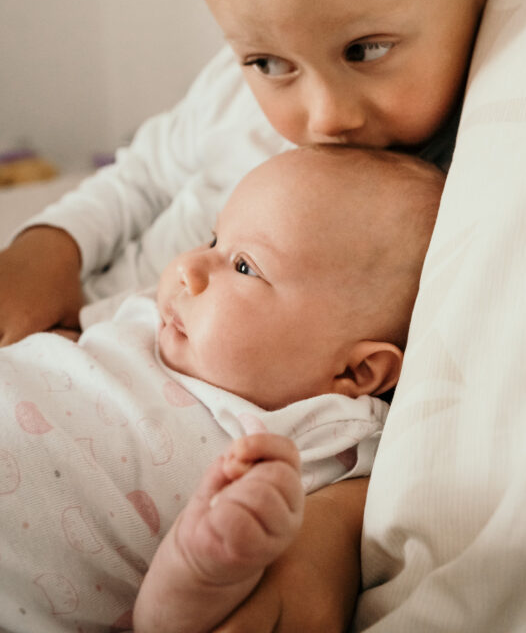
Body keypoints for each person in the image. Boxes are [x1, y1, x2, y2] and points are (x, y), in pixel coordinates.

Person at [0, 0, 526, 630]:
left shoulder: (459, 182)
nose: (321, 115)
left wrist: (331, 524)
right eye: (267, 62)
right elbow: (139, 175)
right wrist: (49, 242)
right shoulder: (230, 92)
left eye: (365, 48)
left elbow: (406, 424)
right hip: (82, 347)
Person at [0, 146, 444, 633]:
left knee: (209, 565)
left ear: (355, 374)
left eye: (245, 267)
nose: (190, 267)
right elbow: (68, 344)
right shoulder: (155, 312)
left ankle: (192, 576)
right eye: (212, 238)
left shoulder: (325, 434)